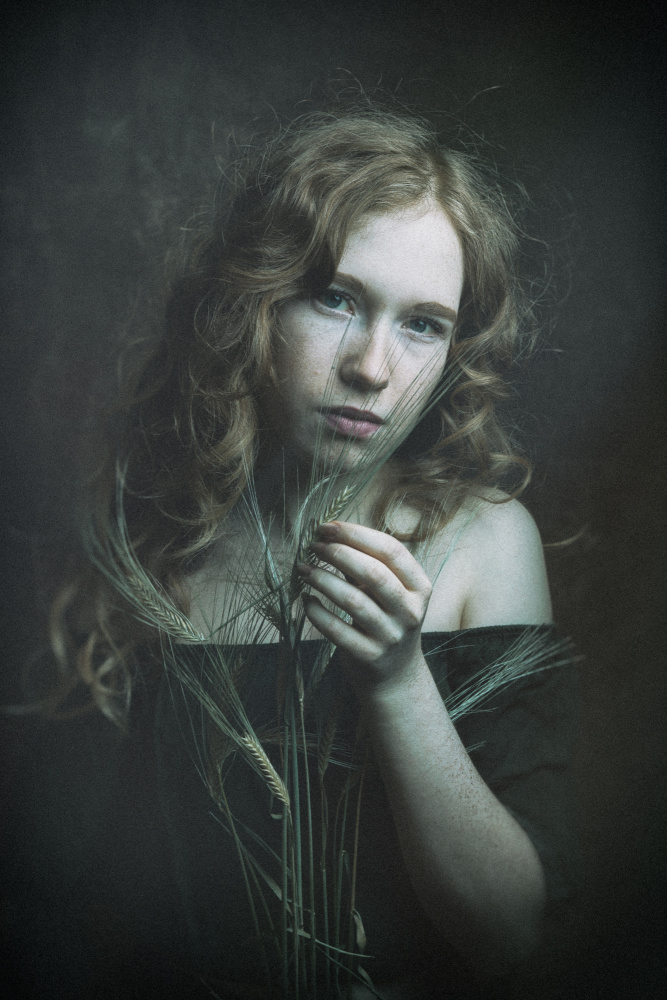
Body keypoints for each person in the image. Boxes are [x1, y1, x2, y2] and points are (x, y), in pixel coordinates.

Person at [1, 107, 581, 999]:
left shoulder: (482, 541)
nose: (372, 367)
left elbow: (506, 936)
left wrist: (396, 679)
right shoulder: (173, 546)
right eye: (336, 299)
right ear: (255, 302)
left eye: (422, 324)